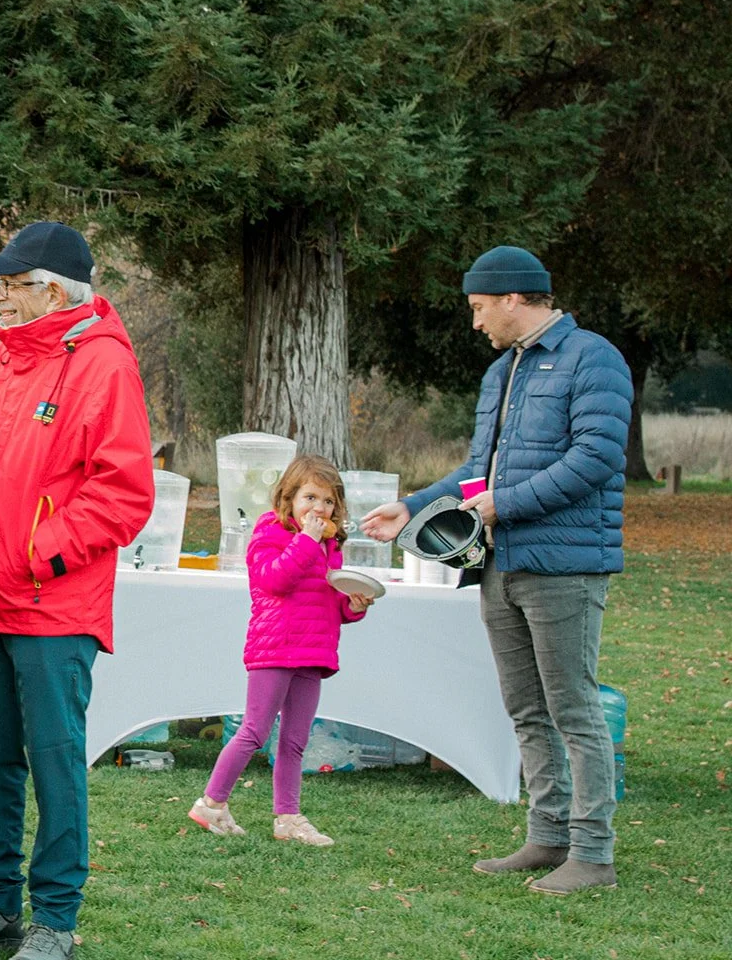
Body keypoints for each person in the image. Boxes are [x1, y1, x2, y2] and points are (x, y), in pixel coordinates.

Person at [0, 221, 155, 960]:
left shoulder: (104, 366)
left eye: (7, 283)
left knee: (53, 765)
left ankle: (54, 919)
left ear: (50, 291)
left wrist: (38, 553)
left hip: (52, 605)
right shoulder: (0, 361)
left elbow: (124, 491)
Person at [362, 245, 631, 895]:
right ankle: (548, 836)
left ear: (515, 298)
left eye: (480, 308)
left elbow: (595, 457)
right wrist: (415, 503)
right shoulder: (501, 373)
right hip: (499, 564)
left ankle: (592, 853)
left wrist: (502, 504)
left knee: (572, 706)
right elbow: (478, 470)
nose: (475, 322)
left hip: (563, 567)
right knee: (524, 706)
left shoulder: (592, 358)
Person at [188, 456, 375, 846]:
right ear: (288, 498)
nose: (319, 509)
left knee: (294, 740)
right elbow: (274, 580)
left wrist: (352, 607)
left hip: (314, 650)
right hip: (274, 648)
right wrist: (306, 540)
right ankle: (212, 803)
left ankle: (287, 817)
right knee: (255, 731)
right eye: (310, 497)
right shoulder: (270, 532)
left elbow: (329, 602)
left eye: (328, 502)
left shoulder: (330, 546)